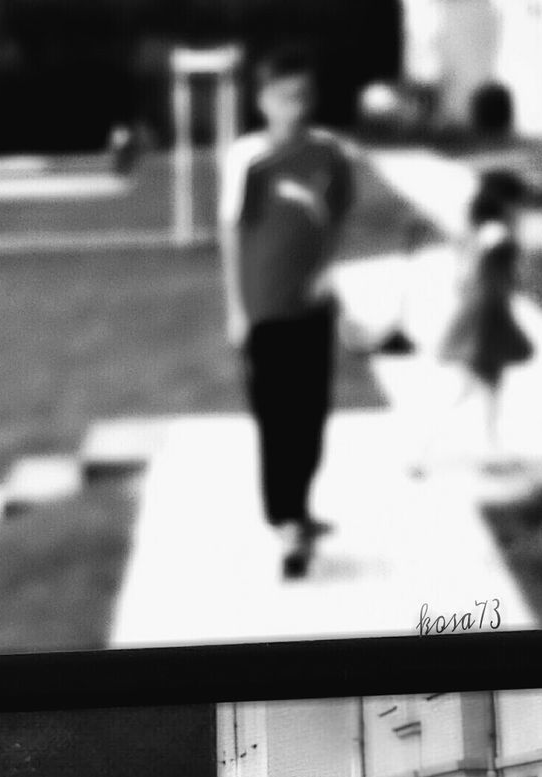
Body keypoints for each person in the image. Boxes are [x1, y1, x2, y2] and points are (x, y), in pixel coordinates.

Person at [218, 45, 355, 579]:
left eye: (300, 96)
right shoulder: (247, 158)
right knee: (277, 421)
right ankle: (289, 527)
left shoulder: (328, 154)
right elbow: (231, 234)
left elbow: (340, 214)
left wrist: (329, 267)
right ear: (262, 101)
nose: (292, 107)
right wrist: (235, 308)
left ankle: (297, 509)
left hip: (313, 309)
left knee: (312, 418)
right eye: (281, 97)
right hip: (263, 310)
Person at [433, 173, 534, 466]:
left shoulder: (481, 229)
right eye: (518, 203)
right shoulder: (496, 233)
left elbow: (464, 273)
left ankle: (488, 444)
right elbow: (478, 270)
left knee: (480, 385)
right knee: (476, 385)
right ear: (506, 203)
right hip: (485, 316)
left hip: (487, 313)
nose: (521, 209)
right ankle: (484, 445)